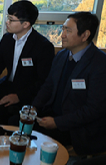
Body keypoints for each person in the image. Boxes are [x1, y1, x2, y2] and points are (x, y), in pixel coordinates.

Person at [32, 12, 106, 159]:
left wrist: (57, 123)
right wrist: (33, 108)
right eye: (63, 29)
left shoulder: (100, 64)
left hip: (78, 128)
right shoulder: (62, 55)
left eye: (68, 30)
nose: (62, 35)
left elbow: (93, 110)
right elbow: (49, 86)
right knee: (17, 123)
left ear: (85, 35)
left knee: (36, 142)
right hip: (53, 115)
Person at [0, 0, 54, 127]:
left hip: (29, 92)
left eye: (11, 19)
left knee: (0, 110)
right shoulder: (7, 39)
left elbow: (43, 82)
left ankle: (2, 144)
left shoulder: (43, 46)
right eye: (7, 18)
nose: (6, 22)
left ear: (25, 24)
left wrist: (19, 96)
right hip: (8, 85)